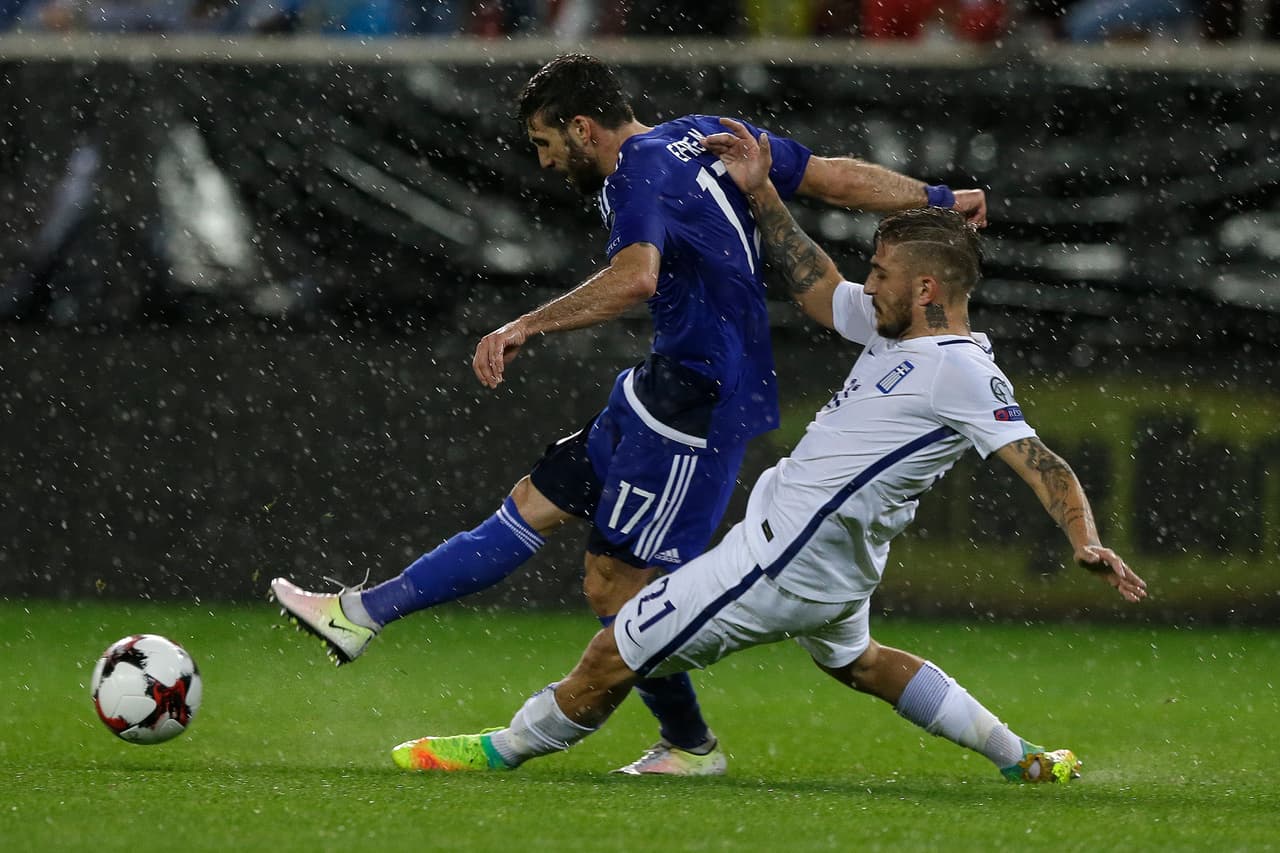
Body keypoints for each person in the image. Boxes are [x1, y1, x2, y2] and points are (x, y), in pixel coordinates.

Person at [271, 54, 989, 776]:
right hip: (658, 385)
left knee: (620, 588)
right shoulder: (702, 131)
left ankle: (689, 745)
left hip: (696, 406)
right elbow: (831, 174)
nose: (546, 162)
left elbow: (636, 277)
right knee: (532, 505)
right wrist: (937, 197)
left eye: (546, 143)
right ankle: (360, 615)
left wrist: (526, 324)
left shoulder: (633, 173)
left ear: (584, 128)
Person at [385, 120, 1147, 782]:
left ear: (925, 290)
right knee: (863, 662)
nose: (867, 284)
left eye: (881, 275)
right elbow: (819, 287)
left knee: (617, 647)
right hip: (838, 565)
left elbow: (1042, 462)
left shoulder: (961, 371)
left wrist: (1085, 539)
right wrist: (764, 196)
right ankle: (1023, 757)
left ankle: (502, 751)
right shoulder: (896, 328)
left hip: (784, 558)